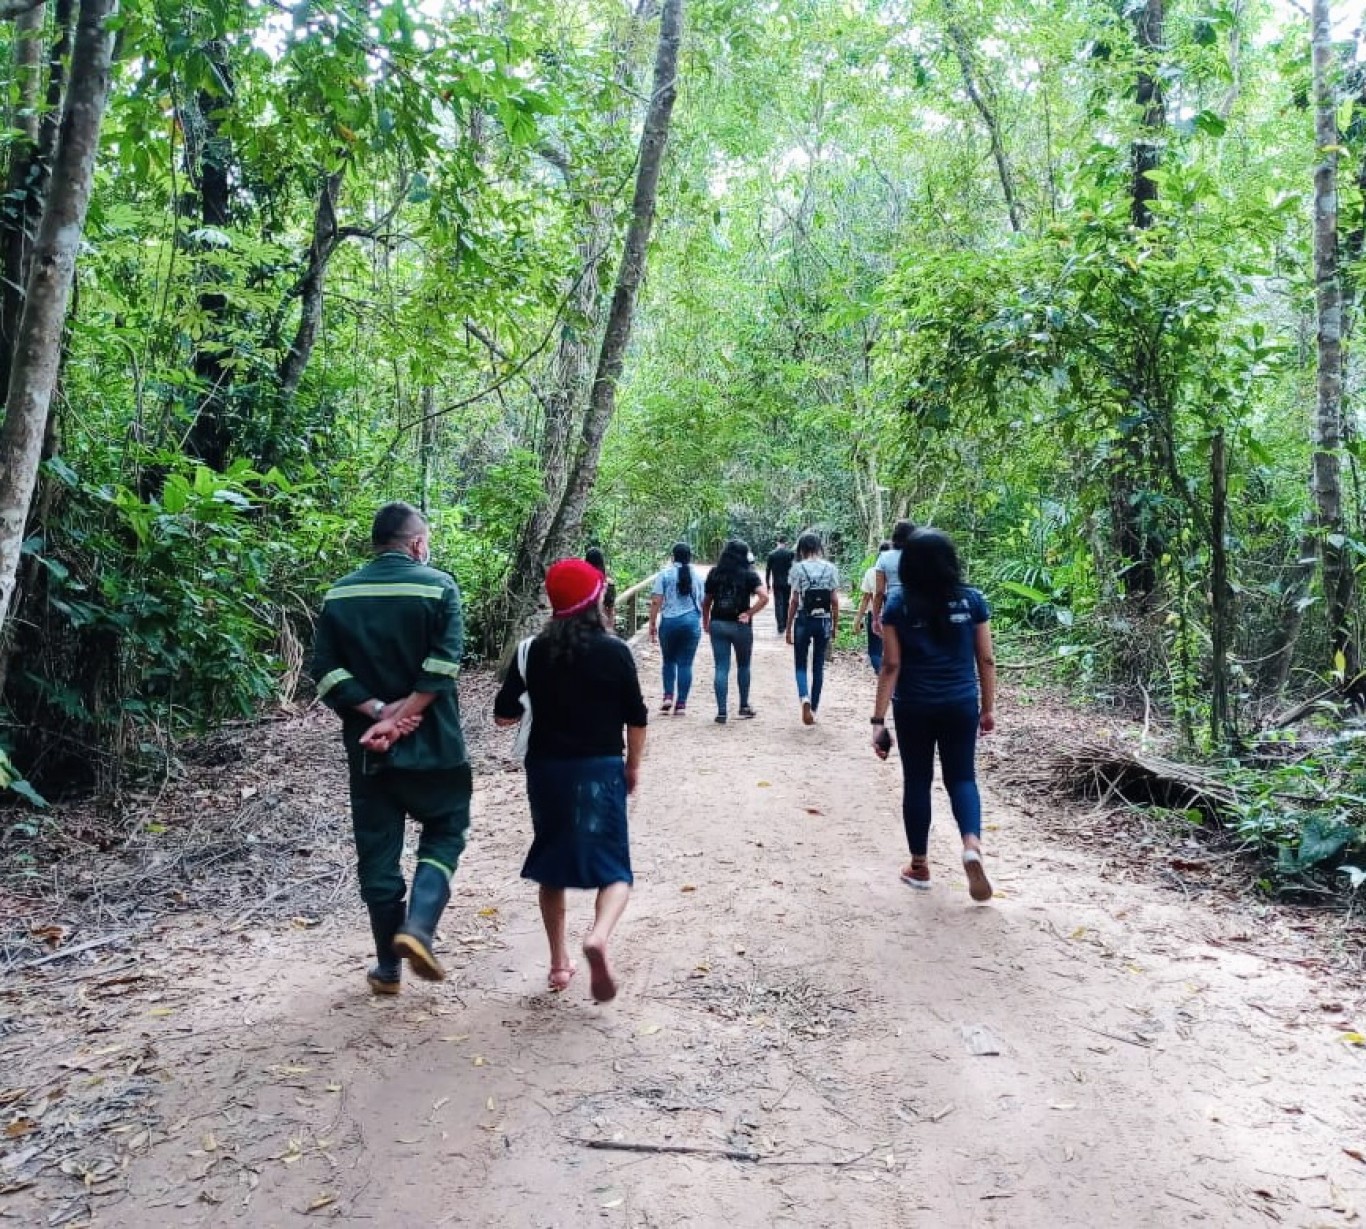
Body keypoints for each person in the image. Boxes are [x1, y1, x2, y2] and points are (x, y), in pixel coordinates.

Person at [311, 501, 472, 994]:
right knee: (445, 828)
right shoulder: (439, 586)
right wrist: (405, 715)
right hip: (436, 744)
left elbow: (327, 673)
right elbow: (444, 666)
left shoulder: (339, 595)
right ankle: (419, 927)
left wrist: (380, 711)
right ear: (417, 544)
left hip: (368, 750)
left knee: (378, 854)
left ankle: (388, 968)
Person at [493, 559, 648, 1002]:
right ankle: (597, 937)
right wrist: (632, 765)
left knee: (552, 862)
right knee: (615, 868)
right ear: (595, 599)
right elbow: (636, 718)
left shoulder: (533, 650)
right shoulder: (614, 650)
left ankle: (559, 964)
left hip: (547, 769)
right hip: (600, 768)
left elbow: (505, 715)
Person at [871, 527, 996, 902]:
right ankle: (971, 844)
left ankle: (920, 866)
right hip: (960, 703)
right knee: (962, 778)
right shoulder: (972, 600)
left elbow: (891, 664)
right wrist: (987, 708)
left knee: (917, 781)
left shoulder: (897, 603)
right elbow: (986, 658)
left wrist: (877, 721)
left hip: (914, 705)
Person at [702, 539, 768, 724]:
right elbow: (764, 597)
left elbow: (706, 602)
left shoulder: (715, 573)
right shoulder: (749, 574)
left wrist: (706, 622)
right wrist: (749, 612)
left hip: (719, 623)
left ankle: (722, 711)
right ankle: (743, 706)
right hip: (741, 625)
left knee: (721, 667)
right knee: (744, 666)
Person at [785, 532, 840, 725]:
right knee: (818, 665)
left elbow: (793, 600)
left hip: (803, 619)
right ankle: (814, 708)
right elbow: (834, 600)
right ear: (818, 547)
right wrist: (835, 624)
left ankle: (804, 697)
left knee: (800, 664)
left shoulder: (797, 569)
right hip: (823, 620)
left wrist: (788, 627)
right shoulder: (830, 568)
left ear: (801, 549)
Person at [648, 543, 706, 715]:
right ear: (690, 557)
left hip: (669, 622)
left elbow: (656, 600)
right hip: (691, 622)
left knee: (668, 661)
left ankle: (667, 696)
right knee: (685, 664)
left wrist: (652, 622)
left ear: (673, 556)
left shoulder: (665, 574)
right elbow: (702, 600)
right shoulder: (697, 575)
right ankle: (681, 704)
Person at [871, 519, 917, 636]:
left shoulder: (884, 557)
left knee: (892, 645)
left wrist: (875, 618)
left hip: (893, 603)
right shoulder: (921, 557)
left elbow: (880, 591)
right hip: (916, 603)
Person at [854, 541, 891, 673]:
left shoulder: (871, 572)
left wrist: (857, 620)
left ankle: (883, 678)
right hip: (894, 614)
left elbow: (865, 599)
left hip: (876, 614)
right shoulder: (899, 572)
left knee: (875, 651)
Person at [765, 537, 795, 634]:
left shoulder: (772, 554)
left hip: (777, 582)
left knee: (778, 603)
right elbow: (793, 569)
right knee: (786, 602)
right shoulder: (790, 553)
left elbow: (768, 570)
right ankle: (785, 623)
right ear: (786, 543)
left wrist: (768, 584)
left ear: (777, 543)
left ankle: (780, 626)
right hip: (788, 582)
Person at [585, 547, 617, 633]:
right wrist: (610, 629)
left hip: (584, 625)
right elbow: (611, 609)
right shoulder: (608, 583)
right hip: (602, 625)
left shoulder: (583, 582)